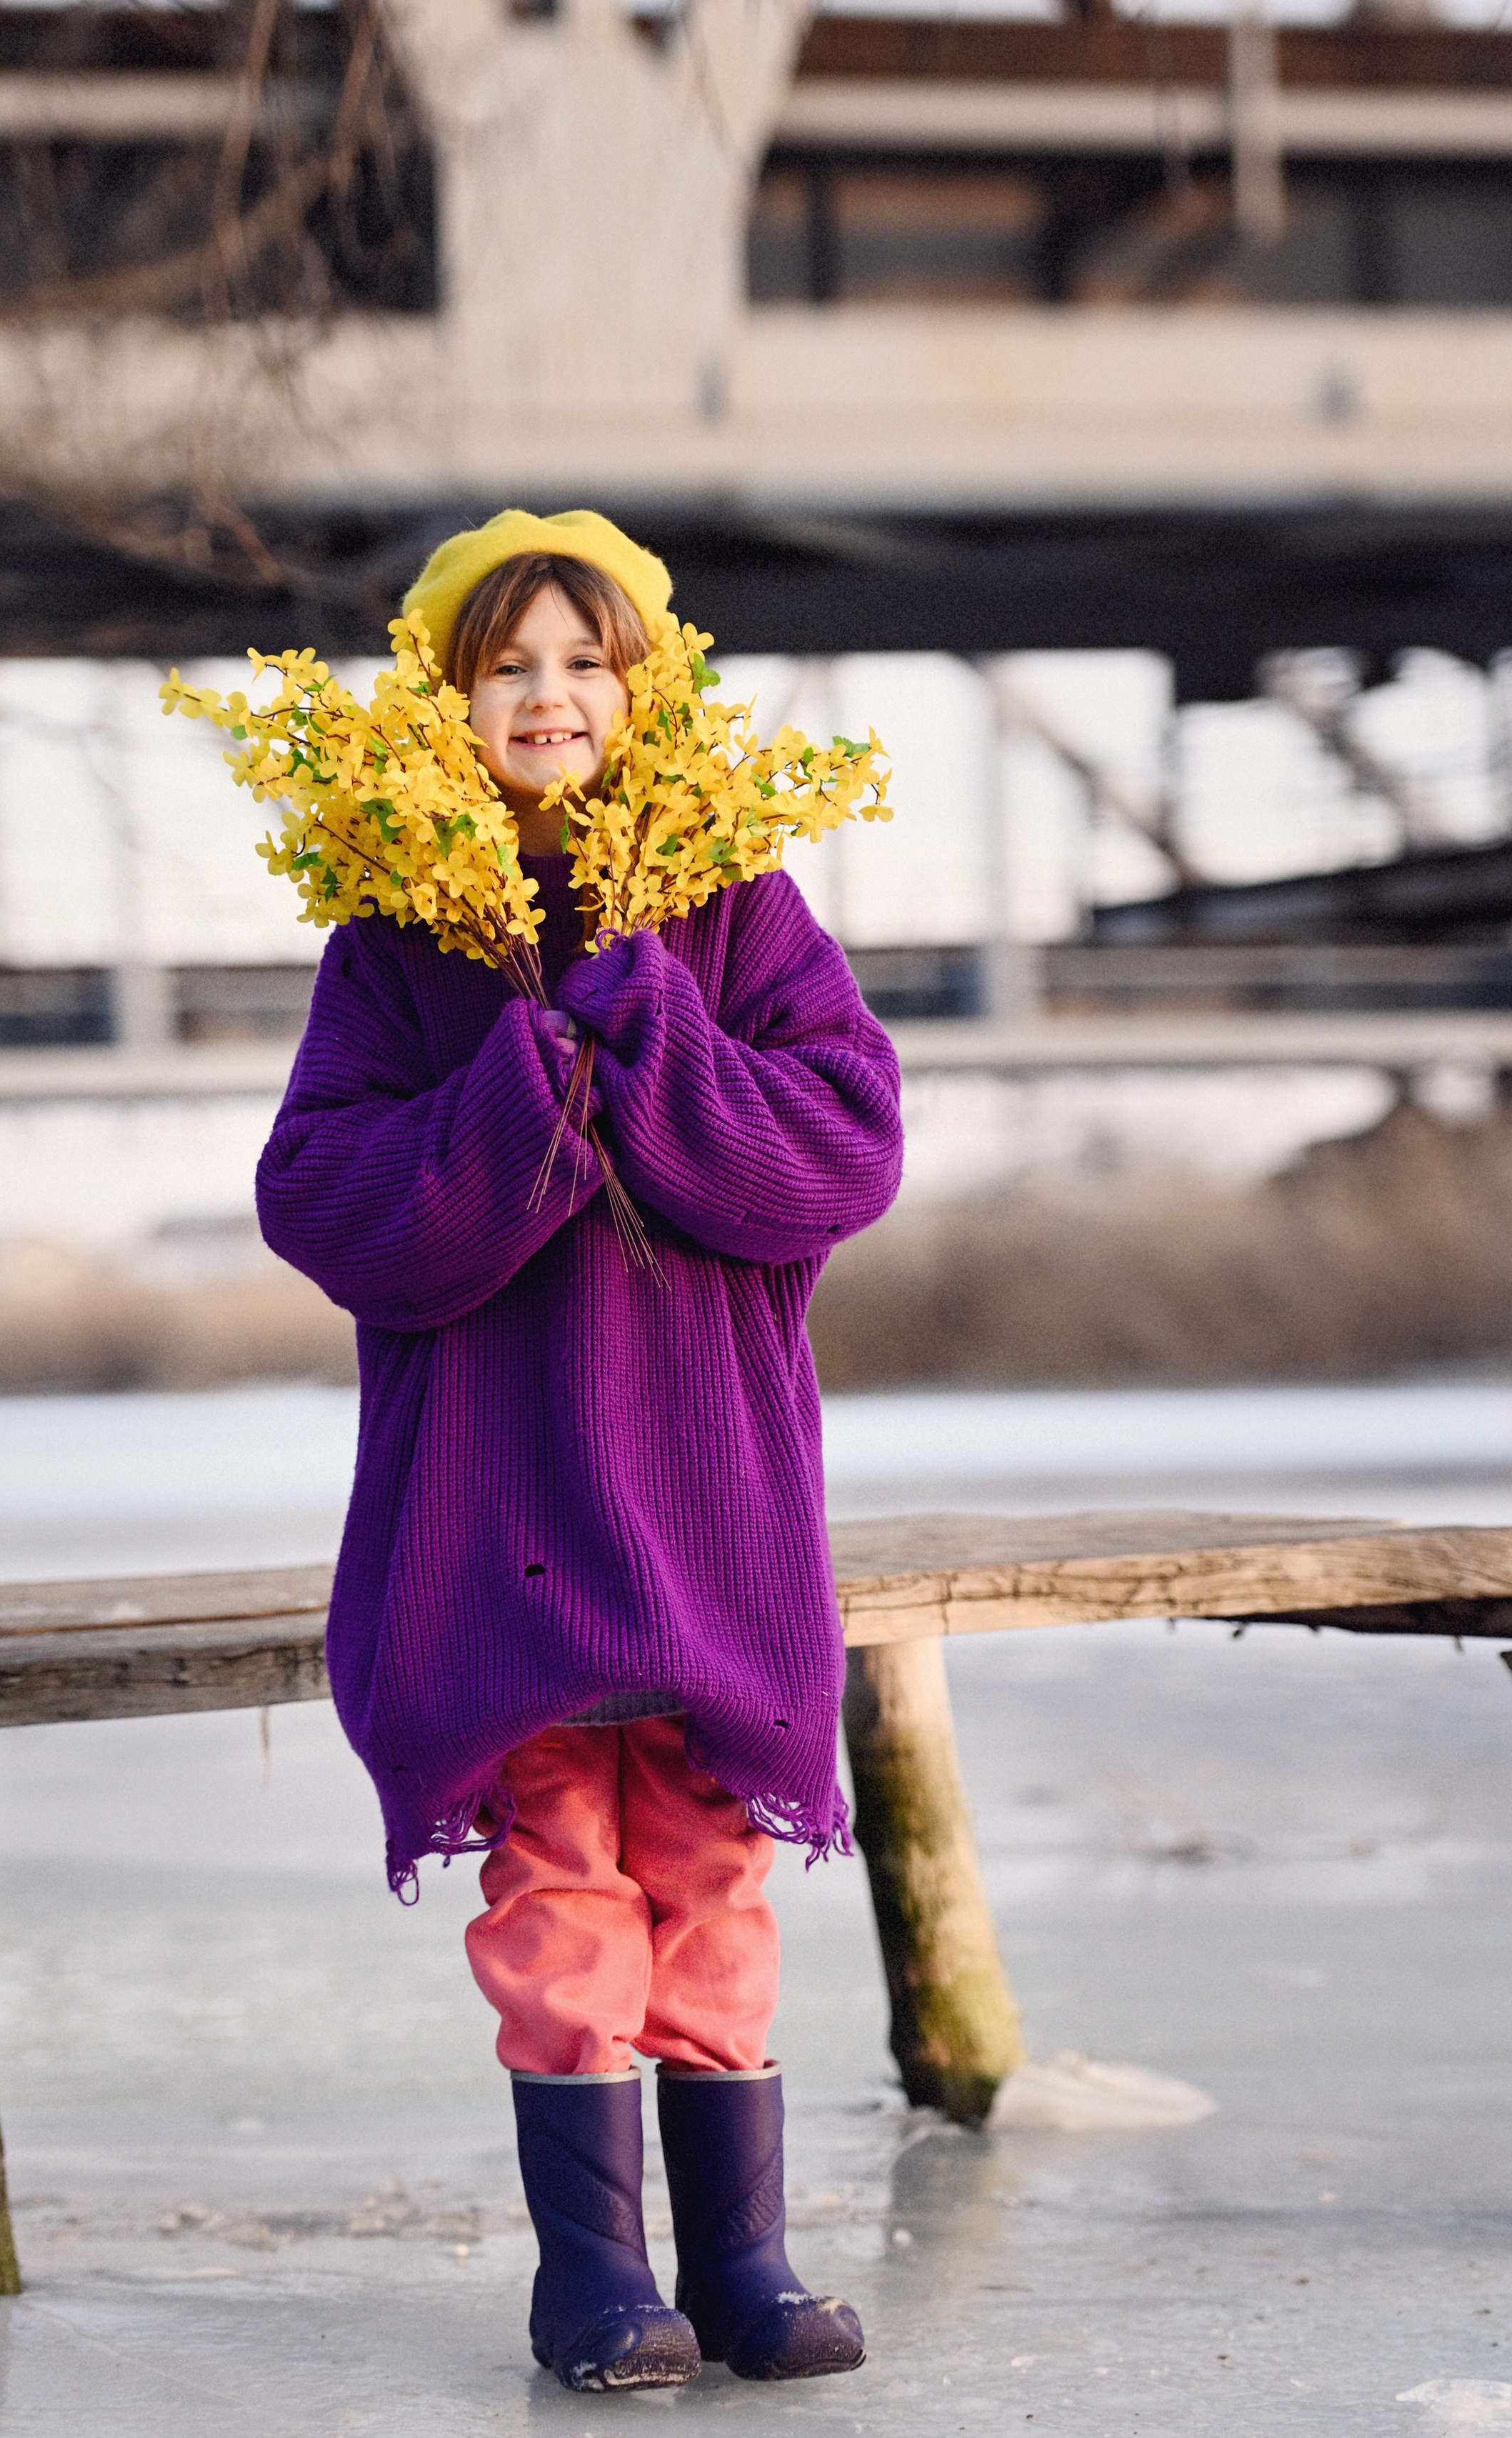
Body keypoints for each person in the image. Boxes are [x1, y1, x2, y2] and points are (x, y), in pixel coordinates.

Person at [257, 509, 903, 2392]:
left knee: (710, 1858)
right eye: (506, 667)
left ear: (648, 691)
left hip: (707, 1493)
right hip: (499, 1501)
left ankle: (746, 2261)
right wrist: (520, 1086)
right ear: (442, 707)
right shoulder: (395, 944)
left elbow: (840, 1153)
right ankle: (598, 2278)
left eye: (585, 663)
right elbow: (326, 1198)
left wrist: (660, 1028)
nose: (549, 696)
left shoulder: (739, 906)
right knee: (555, 1870)